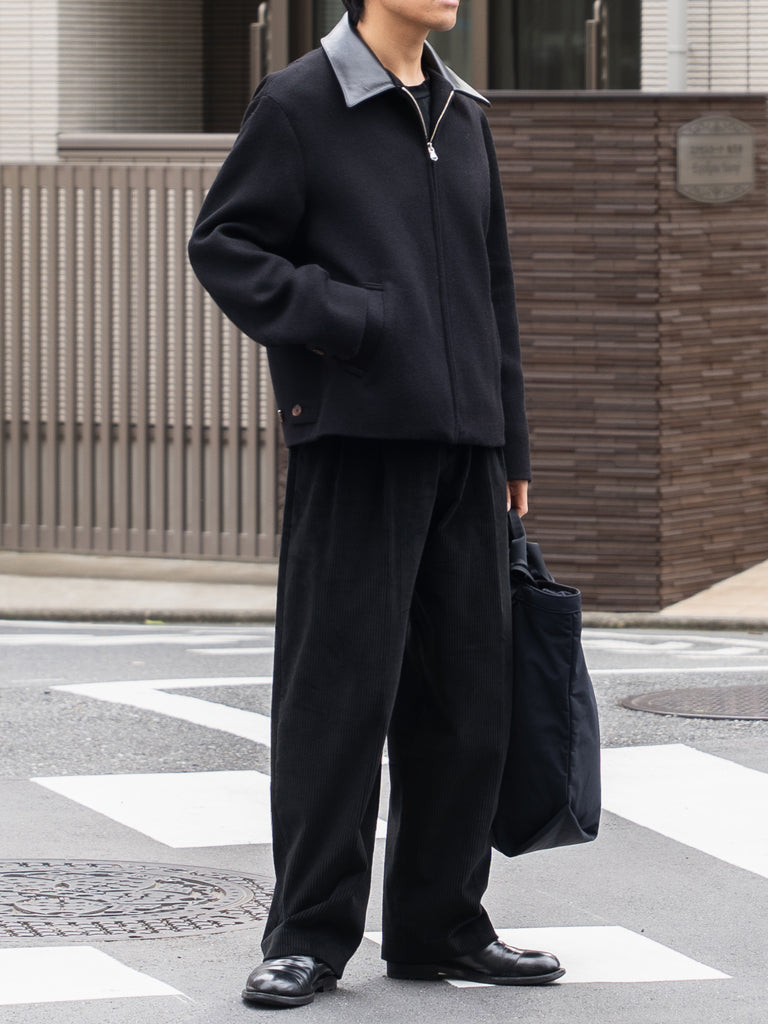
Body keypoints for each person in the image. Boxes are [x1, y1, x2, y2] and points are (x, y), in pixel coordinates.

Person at [188, 0, 563, 1009]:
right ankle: (308, 936)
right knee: (337, 702)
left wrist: (509, 437)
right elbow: (225, 245)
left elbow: (494, 290)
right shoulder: (299, 102)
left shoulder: (462, 113)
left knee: (467, 705)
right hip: (354, 446)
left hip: (466, 454)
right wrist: (351, 319)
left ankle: (441, 925)